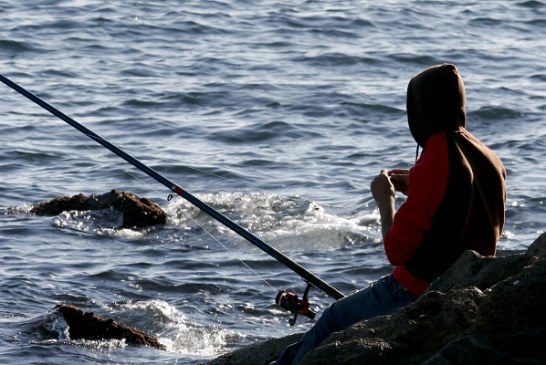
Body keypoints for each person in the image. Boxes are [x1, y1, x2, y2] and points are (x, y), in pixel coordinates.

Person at [270, 64, 507, 365]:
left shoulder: (435, 156)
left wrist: (386, 199)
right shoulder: (487, 155)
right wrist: (417, 187)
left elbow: (396, 251)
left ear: (421, 109)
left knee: (332, 319)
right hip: (469, 279)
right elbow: (460, 204)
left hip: (418, 287)